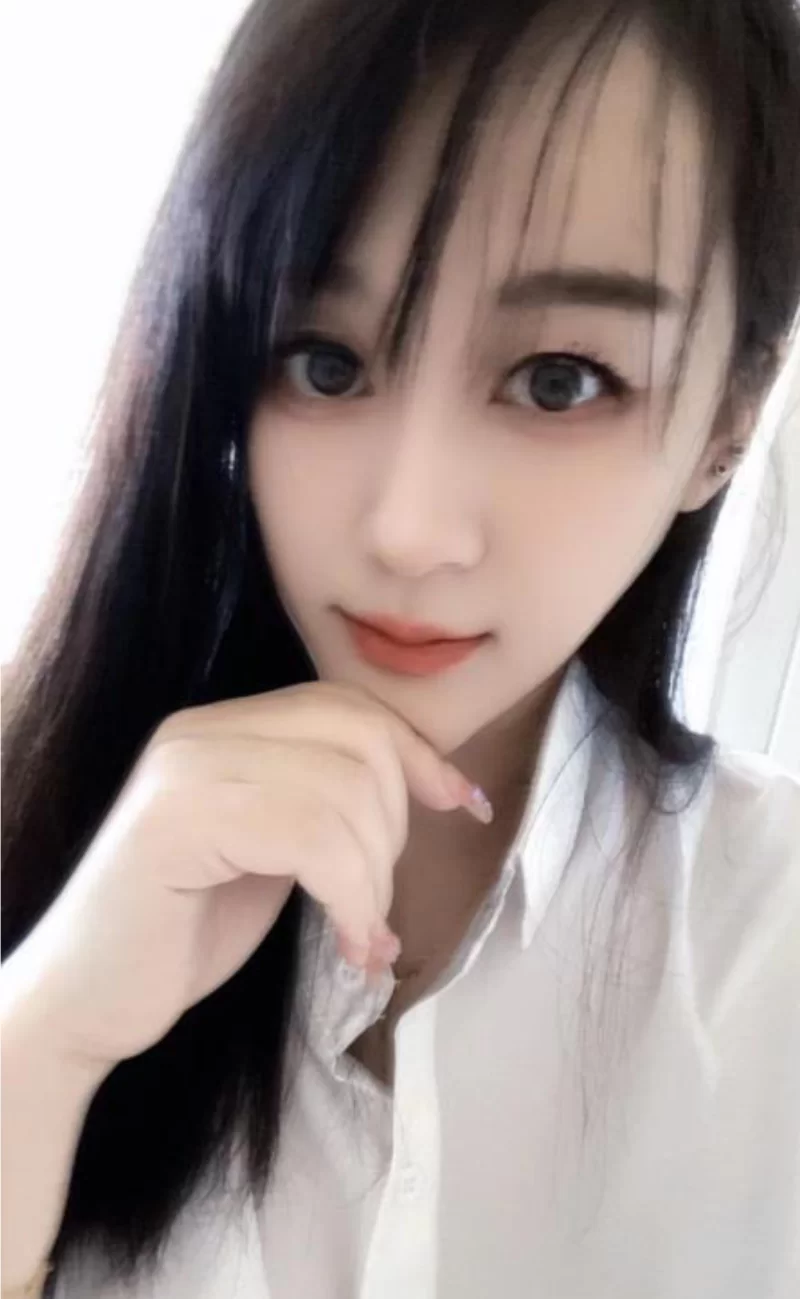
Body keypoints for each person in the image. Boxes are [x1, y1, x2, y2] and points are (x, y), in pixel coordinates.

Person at [2, 0, 799, 1295]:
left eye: (559, 380)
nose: (408, 528)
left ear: (728, 422)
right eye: (323, 361)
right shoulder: (37, 806)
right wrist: (45, 1034)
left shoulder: (771, 951)